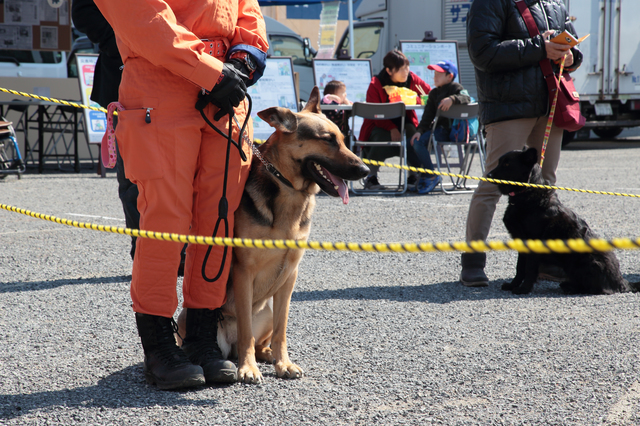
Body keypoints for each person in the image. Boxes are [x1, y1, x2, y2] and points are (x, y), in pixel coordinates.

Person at [93, 0, 268, 390]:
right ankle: (158, 347)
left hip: (225, 92)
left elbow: (248, 11)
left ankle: (201, 338)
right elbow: (143, 17)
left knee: (217, 220)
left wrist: (242, 63)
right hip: (162, 85)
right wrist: (212, 72)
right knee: (163, 221)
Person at [460, 0, 583, 287]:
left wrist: (571, 56)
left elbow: (574, 49)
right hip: (508, 107)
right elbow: (482, 53)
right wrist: (540, 48)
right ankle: (473, 261)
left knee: (546, 184)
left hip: (549, 101)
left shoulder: (554, 4)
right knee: (492, 183)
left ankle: (544, 262)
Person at [72, 0, 188, 275]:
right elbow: (84, 12)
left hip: (179, 77)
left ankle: (183, 249)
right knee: (135, 175)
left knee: (184, 173)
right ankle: (143, 248)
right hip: (124, 79)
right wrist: (125, 39)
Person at [359, 50, 431, 189]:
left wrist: (412, 99)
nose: (406, 72)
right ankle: (371, 177)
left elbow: (428, 94)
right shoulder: (376, 83)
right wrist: (391, 128)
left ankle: (414, 175)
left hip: (406, 122)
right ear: (389, 70)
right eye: (401, 69)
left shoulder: (412, 79)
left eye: (407, 67)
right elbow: (374, 112)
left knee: (413, 136)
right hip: (379, 124)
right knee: (379, 137)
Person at [410, 60, 470, 194]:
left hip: (455, 131)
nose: (435, 77)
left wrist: (452, 99)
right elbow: (427, 117)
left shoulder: (456, 87)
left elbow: (467, 98)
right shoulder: (433, 93)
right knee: (417, 142)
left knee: (422, 142)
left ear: (450, 76)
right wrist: (419, 131)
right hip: (439, 131)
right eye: (434, 74)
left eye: (439, 74)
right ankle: (431, 175)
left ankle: (428, 176)